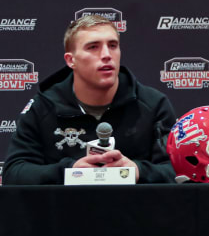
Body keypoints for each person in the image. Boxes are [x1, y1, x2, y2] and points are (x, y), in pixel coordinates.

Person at [2, 15, 177, 184]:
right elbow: (14, 173)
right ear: (71, 60)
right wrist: (70, 171)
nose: (107, 54)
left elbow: (178, 172)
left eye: (113, 45)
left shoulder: (153, 104)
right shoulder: (43, 107)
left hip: (134, 212)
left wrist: (137, 171)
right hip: (66, 212)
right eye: (93, 47)